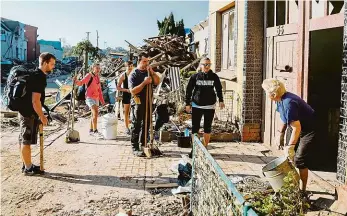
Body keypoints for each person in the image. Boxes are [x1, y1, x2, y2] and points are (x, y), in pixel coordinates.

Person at [262, 78, 315, 192]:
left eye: (266, 91)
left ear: (274, 94)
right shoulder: (279, 99)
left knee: (299, 159)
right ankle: (291, 184)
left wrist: (291, 146)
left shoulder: (289, 102)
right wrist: (279, 134)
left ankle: (303, 189)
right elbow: (283, 118)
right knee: (288, 157)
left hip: (308, 129)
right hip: (296, 126)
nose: (265, 94)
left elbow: (297, 127)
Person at [20, 52, 56, 175]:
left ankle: (27, 164)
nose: (53, 67)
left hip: (27, 112)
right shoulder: (39, 77)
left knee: (25, 140)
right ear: (45, 63)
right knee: (26, 141)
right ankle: (28, 168)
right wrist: (42, 116)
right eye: (52, 64)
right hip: (28, 113)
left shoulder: (35, 74)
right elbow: (35, 101)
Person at [185, 57, 224, 156]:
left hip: (209, 106)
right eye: (205, 64)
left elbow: (219, 89)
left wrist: (221, 100)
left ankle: (205, 148)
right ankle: (195, 149)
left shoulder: (214, 76)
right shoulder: (195, 77)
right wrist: (187, 103)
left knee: (207, 128)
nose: (206, 66)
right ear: (200, 65)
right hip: (196, 105)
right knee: (195, 128)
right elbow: (189, 90)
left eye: (208, 64)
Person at [129, 53, 160, 156]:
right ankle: (135, 146)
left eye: (148, 61)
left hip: (148, 101)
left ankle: (144, 143)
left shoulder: (148, 72)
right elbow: (133, 91)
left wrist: (152, 73)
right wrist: (144, 83)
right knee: (136, 123)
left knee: (146, 123)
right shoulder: (134, 74)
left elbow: (157, 81)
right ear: (139, 61)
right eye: (144, 61)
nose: (147, 63)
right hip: (138, 102)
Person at [74, 63, 105, 135]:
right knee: (95, 113)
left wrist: (102, 101)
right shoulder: (89, 75)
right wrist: (75, 81)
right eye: (96, 68)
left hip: (96, 97)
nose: (98, 70)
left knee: (93, 114)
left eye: (99, 68)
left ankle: (91, 130)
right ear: (93, 68)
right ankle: (95, 130)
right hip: (89, 97)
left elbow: (99, 90)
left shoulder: (97, 77)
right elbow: (81, 83)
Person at [117, 61, 134, 135]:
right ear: (126, 67)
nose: (130, 67)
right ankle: (127, 128)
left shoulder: (135, 74)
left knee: (134, 112)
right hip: (126, 95)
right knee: (126, 112)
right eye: (128, 66)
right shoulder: (123, 75)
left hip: (134, 94)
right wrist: (126, 90)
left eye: (131, 66)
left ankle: (133, 127)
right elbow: (118, 87)